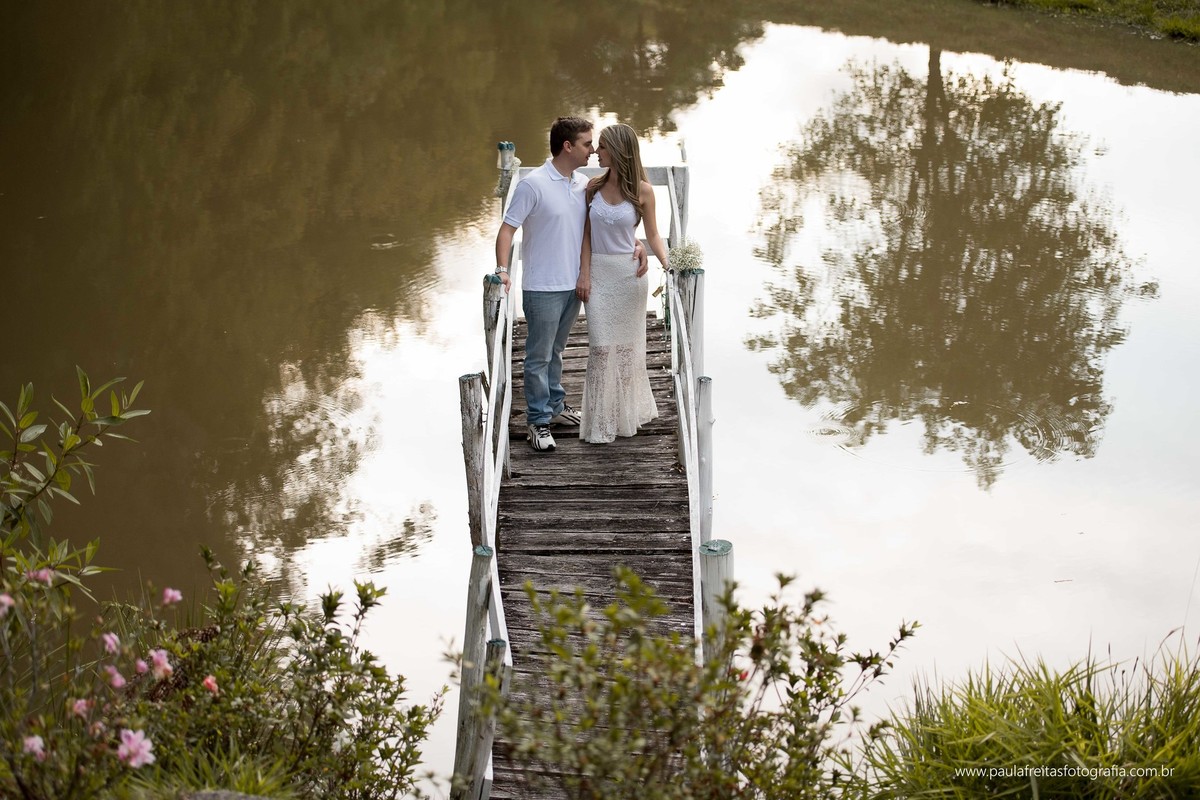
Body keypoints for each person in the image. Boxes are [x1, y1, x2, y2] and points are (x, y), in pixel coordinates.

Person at [495, 117, 646, 452]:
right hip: (542, 286)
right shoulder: (533, 185)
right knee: (538, 356)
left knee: (557, 351)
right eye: (587, 143)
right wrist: (502, 269)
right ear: (568, 146)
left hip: (575, 285)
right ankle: (538, 421)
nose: (592, 150)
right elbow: (507, 230)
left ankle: (556, 406)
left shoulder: (583, 185)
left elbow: (605, 223)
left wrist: (636, 244)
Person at [576, 123, 668, 444]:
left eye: (602, 147)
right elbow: (586, 235)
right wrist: (584, 273)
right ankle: (600, 423)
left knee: (628, 352)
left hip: (630, 278)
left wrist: (669, 264)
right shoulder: (592, 187)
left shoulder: (643, 191)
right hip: (599, 276)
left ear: (617, 151)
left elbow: (653, 234)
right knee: (601, 349)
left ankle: (623, 418)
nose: (596, 152)